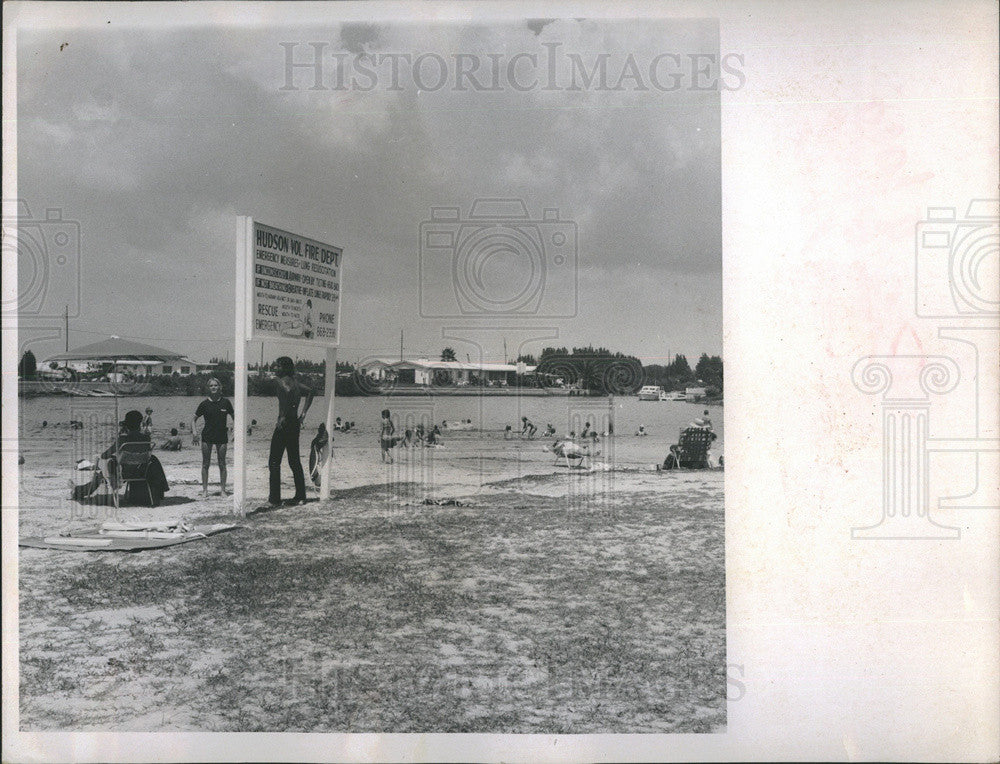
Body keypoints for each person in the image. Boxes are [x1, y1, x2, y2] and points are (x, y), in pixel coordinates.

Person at [71, 410, 169, 503]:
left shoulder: (123, 439)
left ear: (127, 425)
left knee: (105, 468)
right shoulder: (146, 438)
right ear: (140, 423)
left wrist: (114, 456)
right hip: (142, 472)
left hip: (123, 473)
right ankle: (79, 490)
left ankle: (79, 491)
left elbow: (105, 455)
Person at [268, 357, 314, 506]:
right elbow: (311, 392)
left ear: (285, 367)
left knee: (274, 461)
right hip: (294, 423)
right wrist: (304, 414)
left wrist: (282, 416)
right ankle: (301, 496)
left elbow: (286, 394)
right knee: (294, 461)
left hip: (285, 423)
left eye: (278, 366)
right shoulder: (296, 383)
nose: (275, 368)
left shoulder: (281, 381)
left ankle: (275, 499)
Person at [193, 377, 235, 497]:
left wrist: (235, 431)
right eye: (211, 386)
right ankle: (205, 490)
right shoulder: (204, 404)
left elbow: (234, 417)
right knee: (205, 464)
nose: (213, 387)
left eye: (215, 385)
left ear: (220, 387)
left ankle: (223, 490)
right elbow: (193, 419)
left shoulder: (226, 402)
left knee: (222, 463)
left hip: (222, 436)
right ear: (208, 388)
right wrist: (194, 433)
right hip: (207, 436)